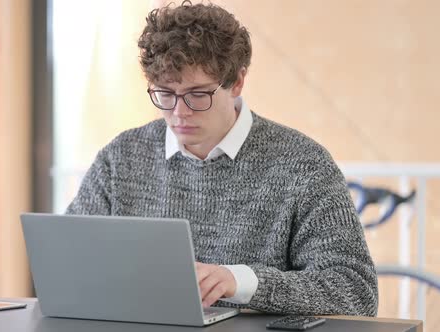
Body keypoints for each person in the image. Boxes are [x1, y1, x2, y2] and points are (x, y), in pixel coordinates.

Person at [66, 0, 378, 316]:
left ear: (237, 82)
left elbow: (355, 292)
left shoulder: (304, 165)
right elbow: (68, 263)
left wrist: (241, 281)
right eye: (165, 94)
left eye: (198, 94)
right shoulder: (121, 159)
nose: (179, 112)